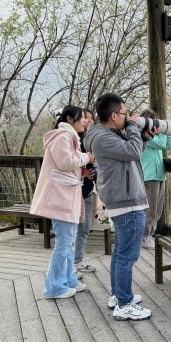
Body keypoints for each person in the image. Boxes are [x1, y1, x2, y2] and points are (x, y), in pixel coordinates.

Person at [84, 93, 153, 321]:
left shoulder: (107, 135)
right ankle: (124, 304)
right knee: (127, 256)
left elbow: (130, 153)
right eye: (125, 113)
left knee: (120, 253)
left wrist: (143, 136)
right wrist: (134, 126)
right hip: (126, 203)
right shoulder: (103, 138)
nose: (128, 116)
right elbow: (131, 152)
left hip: (123, 200)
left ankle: (118, 294)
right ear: (114, 115)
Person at [31, 105, 94, 299]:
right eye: (82, 118)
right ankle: (54, 287)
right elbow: (64, 162)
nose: (85, 121)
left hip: (67, 199)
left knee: (68, 242)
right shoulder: (62, 136)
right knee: (63, 244)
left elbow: (66, 165)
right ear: (69, 118)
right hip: (60, 200)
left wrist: (82, 169)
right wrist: (86, 158)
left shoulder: (69, 136)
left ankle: (68, 280)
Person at [139, 108, 171, 249]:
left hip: (160, 175)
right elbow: (158, 143)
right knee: (150, 210)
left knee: (158, 210)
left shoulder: (155, 136)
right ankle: (144, 236)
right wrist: (158, 133)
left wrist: (168, 131)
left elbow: (168, 145)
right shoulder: (144, 136)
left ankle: (150, 235)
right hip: (149, 175)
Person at [74, 108, 98, 274]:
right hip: (77, 192)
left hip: (88, 190)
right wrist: (83, 171)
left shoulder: (91, 139)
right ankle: (75, 262)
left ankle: (78, 260)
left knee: (85, 226)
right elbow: (68, 162)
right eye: (85, 118)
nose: (89, 121)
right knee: (79, 228)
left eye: (91, 118)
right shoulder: (75, 140)